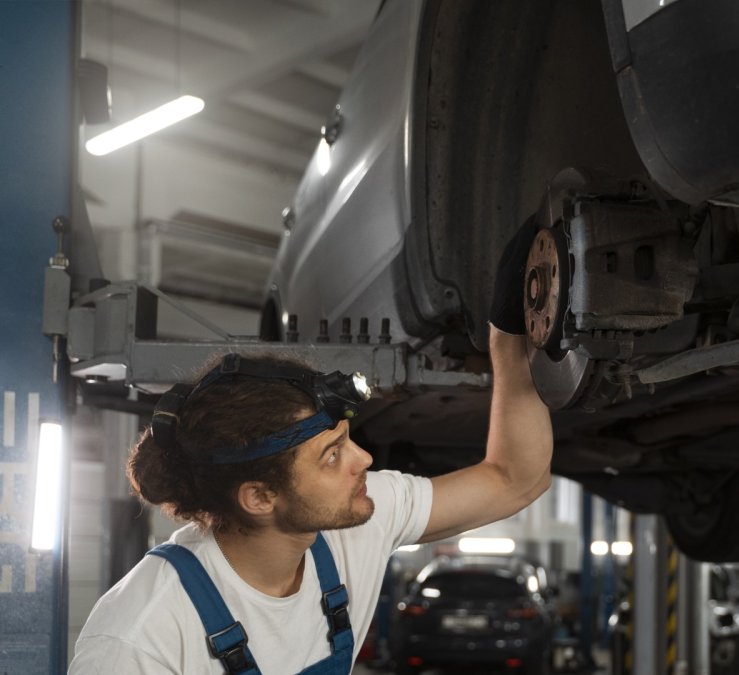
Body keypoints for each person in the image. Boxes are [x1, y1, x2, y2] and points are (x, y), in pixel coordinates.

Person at [69, 223, 548, 674]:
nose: (364, 460)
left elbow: (515, 479)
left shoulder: (354, 526)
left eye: (346, 439)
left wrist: (508, 338)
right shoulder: (139, 639)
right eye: (332, 455)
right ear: (260, 497)